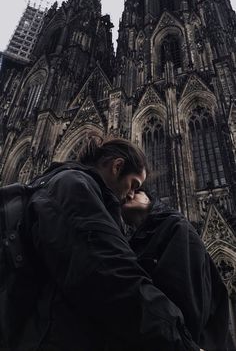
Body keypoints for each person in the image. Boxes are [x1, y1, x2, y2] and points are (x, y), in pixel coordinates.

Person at [14, 135, 199, 351]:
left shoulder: (59, 185)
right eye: (134, 185)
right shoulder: (74, 187)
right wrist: (182, 343)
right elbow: (111, 275)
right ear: (117, 166)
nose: (131, 195)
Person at [122, 189, 231, 351]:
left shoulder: (175, 226)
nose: (129, 194)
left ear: (149, 199)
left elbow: (189, 298)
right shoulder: (131, 243)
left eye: (137, 190)